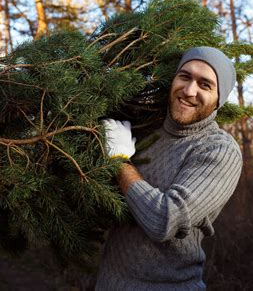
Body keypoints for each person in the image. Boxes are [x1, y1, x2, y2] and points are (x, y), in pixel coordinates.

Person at [96, 46, 243, 290]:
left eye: (205, 85)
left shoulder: (218, 150)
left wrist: (120, 160)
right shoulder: (146, 130)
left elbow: (165, 219)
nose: (189, 90)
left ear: (219, 99)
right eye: (184, 76)